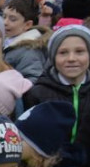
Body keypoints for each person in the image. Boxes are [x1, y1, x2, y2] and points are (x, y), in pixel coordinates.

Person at [24, 26, 90, 158]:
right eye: (63, 52)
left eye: (79, 51)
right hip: (49, 166)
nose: (71, 58)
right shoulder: (38, 92)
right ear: (53, 57)